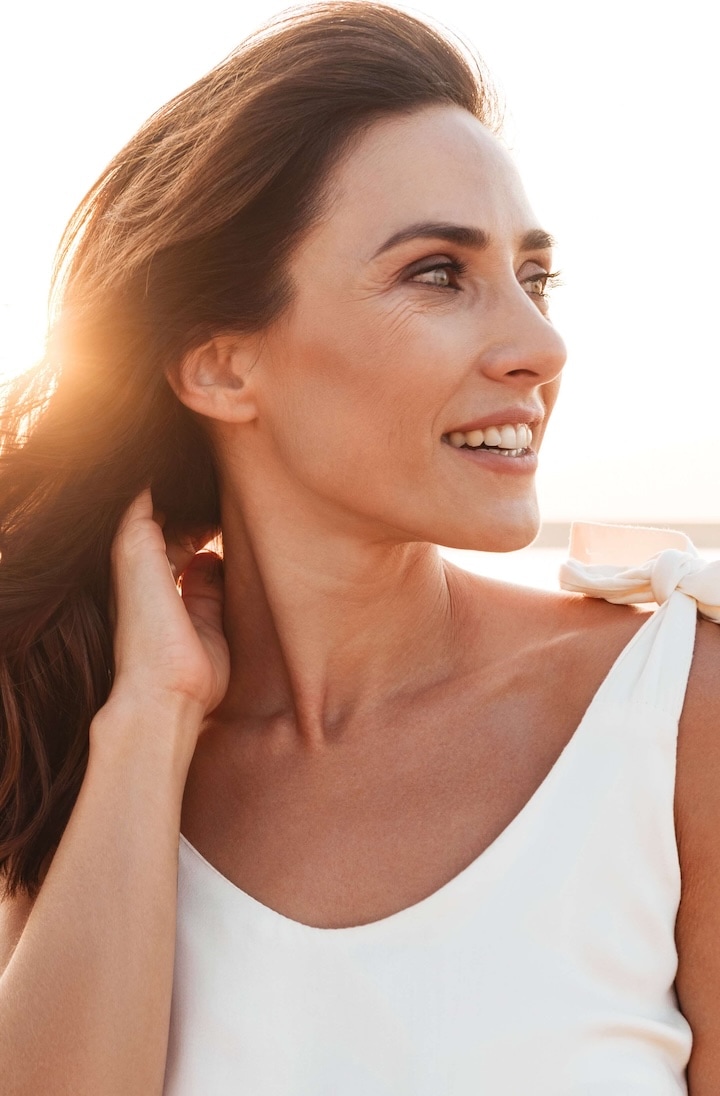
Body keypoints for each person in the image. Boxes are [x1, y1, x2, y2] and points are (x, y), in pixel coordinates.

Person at [0, 2, 719, 1092]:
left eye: (536, 277)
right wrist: (149, 719)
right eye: (438, 272)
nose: (539, 345)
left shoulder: (676, 708)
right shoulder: (83, 751)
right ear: (221, 366)